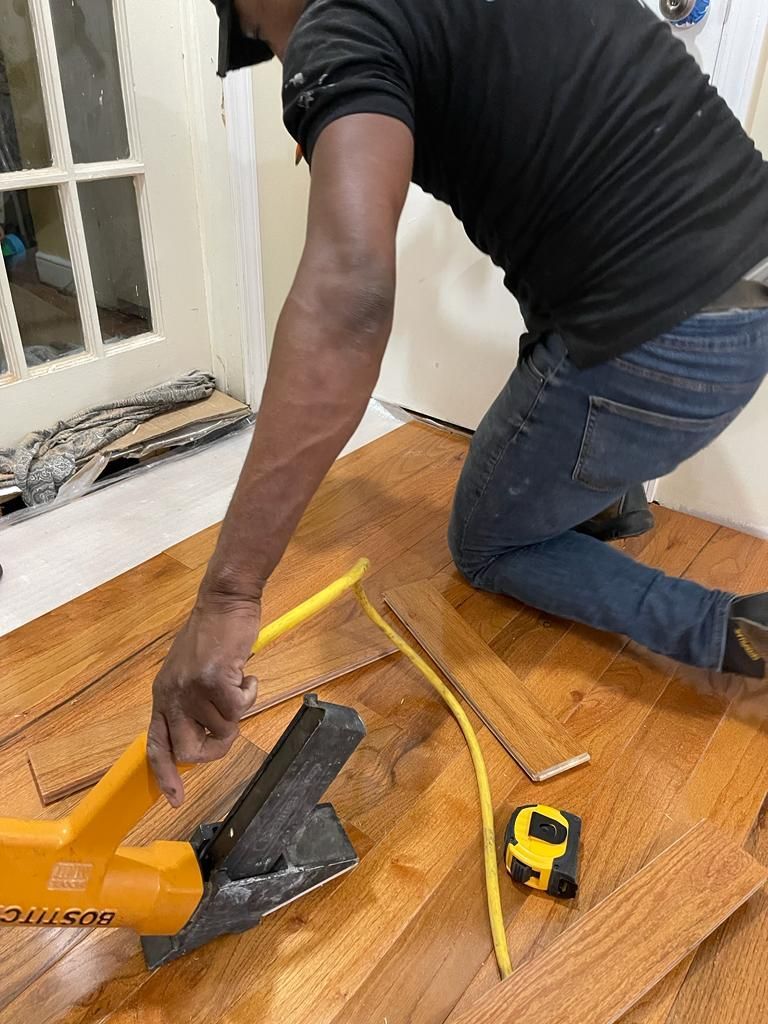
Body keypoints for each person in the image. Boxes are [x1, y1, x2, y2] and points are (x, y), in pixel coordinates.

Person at [147, 0, 768, 805]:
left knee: (486, 544)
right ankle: (605, 501)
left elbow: (348, 303)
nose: (280, 55)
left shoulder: (337, 26)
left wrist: (227, 594)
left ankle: (721, 626)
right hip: (747, 284)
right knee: (547, 340)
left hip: (666, 347)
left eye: (260, 36)